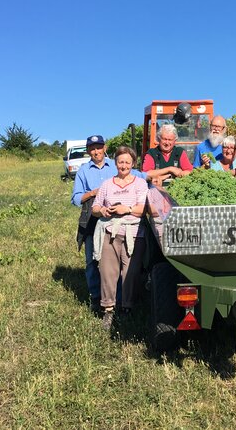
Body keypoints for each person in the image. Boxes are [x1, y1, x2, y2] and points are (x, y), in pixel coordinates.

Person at [71, 135, 146, 313]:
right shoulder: (84, 171)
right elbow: (76, 199)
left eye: (99, 147)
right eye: (92, 148)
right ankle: (98, 299)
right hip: (95, 221)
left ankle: (123, 302)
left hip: (127, 226)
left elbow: (142, 177)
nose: (96, 151)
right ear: (89, 150)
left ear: (104, 148)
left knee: (126, 267)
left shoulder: (118, 165)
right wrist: (93, 194)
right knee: (95, 263)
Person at [91, 146, 149, 329]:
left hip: (134, 233)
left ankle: (127, 307)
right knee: (107, 272)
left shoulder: (140, 183)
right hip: (110, 233)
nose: (123, 165)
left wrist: (128, 209)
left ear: (133, 164)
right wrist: (102, 210)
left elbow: (144, 208)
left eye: (127, 162)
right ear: (115, 163)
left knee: (130, 273)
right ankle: (108, 310)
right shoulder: (107, 184)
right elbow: (94, 207)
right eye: (120, 161)